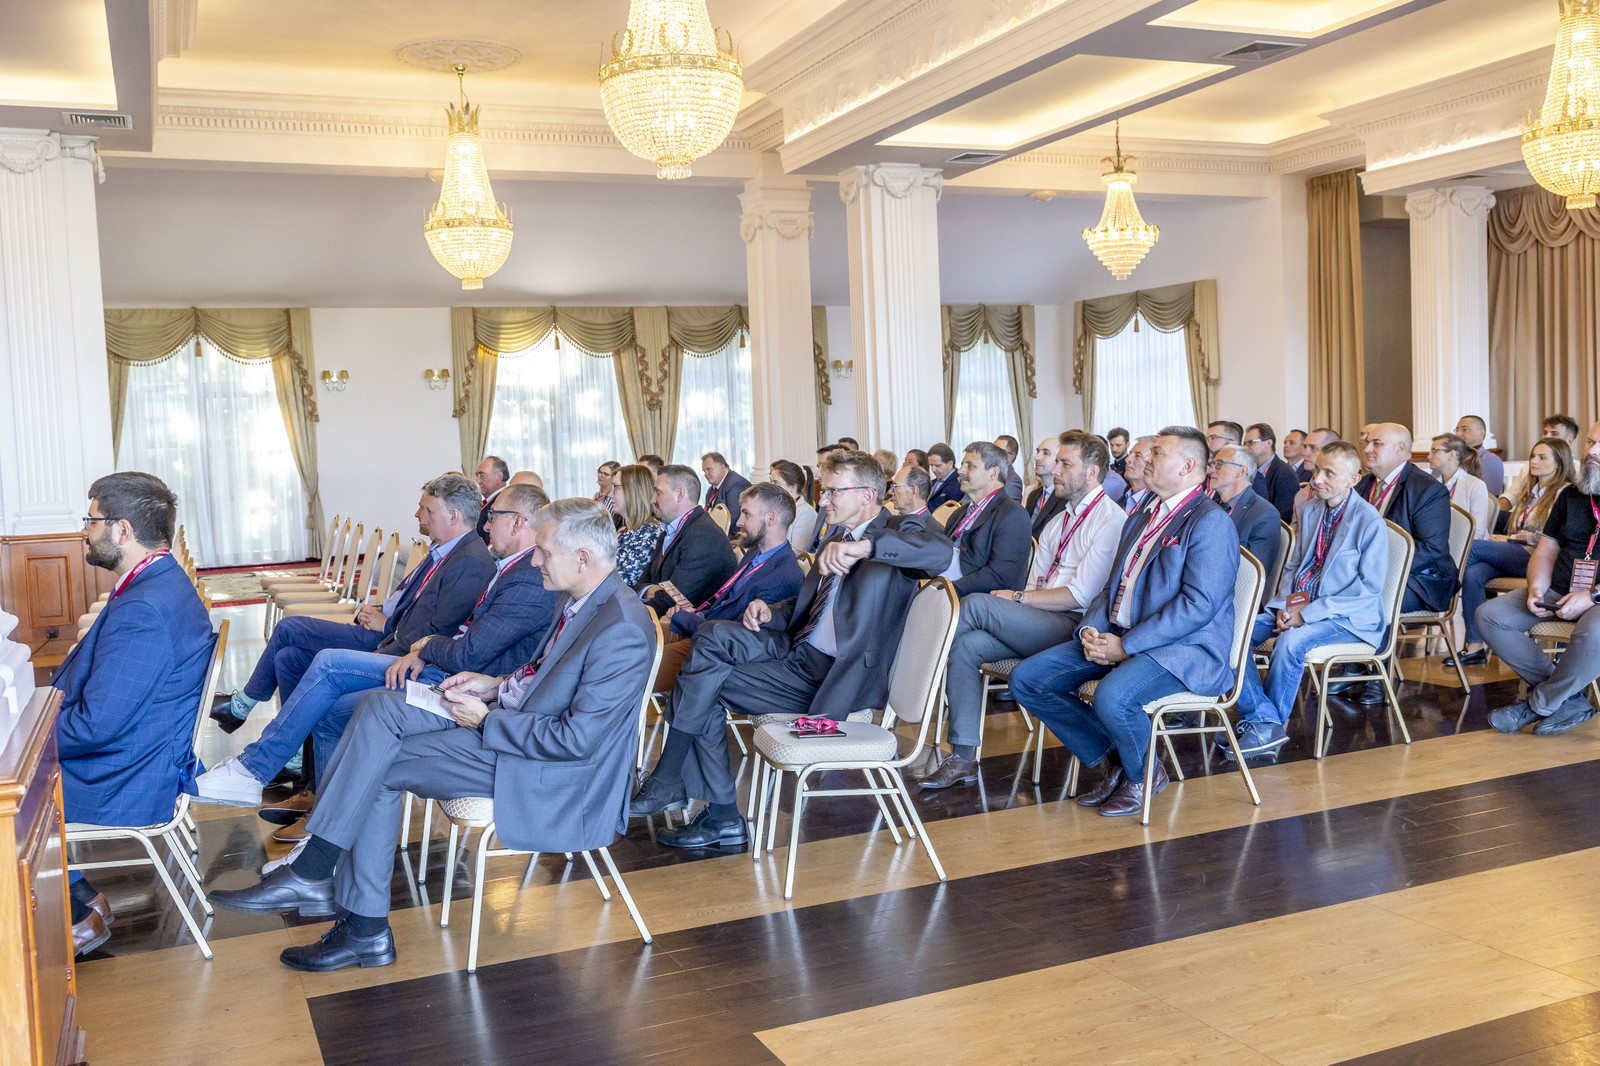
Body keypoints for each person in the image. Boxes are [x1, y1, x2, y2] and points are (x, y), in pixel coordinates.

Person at [210, 500, 655, 973]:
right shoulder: (581, 598)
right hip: (516, 732)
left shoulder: (622, 629)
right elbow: (542, 677)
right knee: (378, 707)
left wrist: (484, 719)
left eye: (544, 551)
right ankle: (330, 888)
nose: (535, 560)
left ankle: (345, 905)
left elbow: (576, 741)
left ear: (583, 558)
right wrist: (494, 685)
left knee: (377, 762)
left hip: (552, 773)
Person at [628, 450, 953, 846]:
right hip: (798, 656)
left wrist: (864, 548)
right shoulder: (836, 537)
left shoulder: (895, 532)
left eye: (832, 492)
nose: (823, 501)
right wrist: (771, 611)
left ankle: (703, 802)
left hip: (838, 679)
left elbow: (940, 553)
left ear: (867, 495)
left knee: (700, 682)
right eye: (823, 491)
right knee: (710, 638)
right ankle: (696, 799)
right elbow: (811, 607)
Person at [193, 484, 560, 812]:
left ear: (517, 522)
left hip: (458, 686)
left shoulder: (516, 574)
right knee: (303, 667)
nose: (485, 525)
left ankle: (258, 770)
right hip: (437, 666)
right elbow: (454, 632)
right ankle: (309, 804)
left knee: (327, 665)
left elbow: (468, 651)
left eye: (493, 516)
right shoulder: (506, 567)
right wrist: (418, 645)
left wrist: (423, 647)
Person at [1008, 427, 1239, 818]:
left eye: (1157, 453)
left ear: (1186, 466)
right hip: (1119, 633)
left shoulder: (1209, 521)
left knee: (1112, 697)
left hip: (1183, 648)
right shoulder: (1144, 513)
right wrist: (1091, 630)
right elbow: (1112, 585)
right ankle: (1122, 762)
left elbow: (1197, 606)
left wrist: (1128, 646)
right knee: (1029, 680)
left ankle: (1141, 775)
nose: (1144, 459)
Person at [56, 472, 213, 955]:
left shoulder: (146, 606)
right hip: (138, 752)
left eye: (91, 520)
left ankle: (75, 918)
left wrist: (27, 735)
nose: (84, 530)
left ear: (122, 530)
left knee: (12, 785)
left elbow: (95, 726)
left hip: (126, 774)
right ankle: (81, 898)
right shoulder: (160, 581)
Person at [210, 474, 497, 733]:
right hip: (386, 630)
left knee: (288, 628)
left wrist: (388, 625)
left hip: (393, 646)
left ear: (453, 516)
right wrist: (381, 611)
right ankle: (296, 752)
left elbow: (437, 632)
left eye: (428, 510)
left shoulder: (468, 561)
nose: (418, 515)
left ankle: (241, 707)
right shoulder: (445, 549)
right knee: (287, 658)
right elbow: (414, 602)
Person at [921, 431, 1123, 789]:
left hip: (1076, 627)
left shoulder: (1110, 520)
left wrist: (1017, 600)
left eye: (1065, 464)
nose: (1054, 471)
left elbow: (1077, 596)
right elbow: (1034, 584)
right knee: (966, 646)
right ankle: (964, 756)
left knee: (976, 604)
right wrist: (1022, 600)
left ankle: (917, 672)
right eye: (1056, 463)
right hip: (1039, 620)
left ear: (1092, 472)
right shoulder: (1059, 521)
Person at [1222, 442, 1389, 758]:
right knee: (1229, 633)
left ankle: (1264, 727)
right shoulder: (1311, 509)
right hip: (1300, 607)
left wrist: (1306, 615)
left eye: (1329, 473)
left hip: (1348, 618)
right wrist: (1287, 607)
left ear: (1354, 479)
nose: (1317, 479)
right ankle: (1264, 721)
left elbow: (1366, 590)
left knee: (1291, 642)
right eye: (1317, 470)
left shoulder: (1369, 521)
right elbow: (1295, 566)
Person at [1478, 421, 1600, 736]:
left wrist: (1591, 596)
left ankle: (1538, 705)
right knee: (1490, 616)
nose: (1593, 452)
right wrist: (1536, 587)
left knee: (1593, 632)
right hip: (1559, 589)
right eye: (1590, 443)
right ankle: (1569, 700)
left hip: (1597, 600)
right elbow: (1546, 551)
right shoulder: (1572, 494)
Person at [1340, 423, 1456, 702]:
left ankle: (1378, 672)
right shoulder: (1362, 484)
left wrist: (1380, 573)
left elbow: (1431, 549)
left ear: (1401, 449)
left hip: (1422, 578)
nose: (1367, 448)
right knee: (1338, 588)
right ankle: (1352, 664)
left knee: (1377, 597)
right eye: (1367, 442)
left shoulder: (1427, 489)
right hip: (1369, 572)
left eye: (1376, 443)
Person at [653, 483, 805, 694]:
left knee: (635, 667)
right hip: (702, 631)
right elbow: (723, 602)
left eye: (746, 514)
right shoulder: (754, 553)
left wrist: (685, 618)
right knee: (634, 640)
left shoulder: (783, 576)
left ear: (771, 518)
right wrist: (694, 613)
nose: (739, 521)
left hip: (714, 652)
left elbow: (734, 636)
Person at [1451, 439, 1577, 668]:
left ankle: (1440, 591)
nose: (1534, 461)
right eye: (1533, 456)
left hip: (1538, 557)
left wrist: (1509, 540)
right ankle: (1475, 645)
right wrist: (1507, 538)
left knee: (1473, 548)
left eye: (1542, 457)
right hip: (1517, 552)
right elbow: (1517, 525)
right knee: (1473, 573)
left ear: (1560, 463)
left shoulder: (1564, 493)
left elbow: (1550, 538)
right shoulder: (1532, 491)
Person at [635, 464, 738, 616]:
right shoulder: (669, 531)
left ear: (679, 494)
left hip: (689, 625)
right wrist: (652, 590)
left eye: (658, 492)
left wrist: (634, 613)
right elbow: (639, 585)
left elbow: (673, 600)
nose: (652, 499)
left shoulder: (703, 535)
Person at [938, 442, 1034, 596]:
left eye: (970, 466)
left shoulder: (1013, 515)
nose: (960, 471)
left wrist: (946, 590)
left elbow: (999, 577)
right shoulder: (959, 513)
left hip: (974, 597)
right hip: (942, 585)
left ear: (993, 473)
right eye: (962, 465)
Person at [1208, 444, 1282, 584]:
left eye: (1219, 464)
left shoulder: (1265, 514)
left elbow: (1251, 576)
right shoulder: (1211, 505)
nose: (1211, 470)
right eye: (1212, 464)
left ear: (1241, 471)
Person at [1428, 433, 1493, 540]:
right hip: (1439, 542)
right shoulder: (1432, 486)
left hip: (1469, 546)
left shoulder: (1476, 486)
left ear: (1452, 455)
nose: (1429, 456)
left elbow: (1477, 533)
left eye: (1434, 451)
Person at [609, 464, 661, 586]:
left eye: (616, 487)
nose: (610, 494)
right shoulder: (626, 530)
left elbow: (624, 583)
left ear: (634, 491)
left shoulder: (649, 533)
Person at [1243, 422, 1299, 522]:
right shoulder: (1248, 470)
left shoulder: (1285, 473)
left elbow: (1283, 517)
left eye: (1251, 442)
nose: (1245, 447)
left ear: (1269, 443)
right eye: (1244, 443)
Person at [770, 459, 818, 553]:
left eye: (776, 483)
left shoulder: (806, 512)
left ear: (792, 487)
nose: (771, 487)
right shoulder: (775, 507)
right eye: (770, 481)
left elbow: (797, 552)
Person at [1024, 436, 1066, 537]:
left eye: (1046, 453)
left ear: (1059, 460)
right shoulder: (1033, 495)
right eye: (1038, 452)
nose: (1036, 457)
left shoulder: (1066, 499)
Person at [702, 452, 752, 537]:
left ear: (722, 467)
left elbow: (732, 519)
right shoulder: (711, 490)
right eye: (704, 471)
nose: (705, 474)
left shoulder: (735, 483)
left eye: (709, 469)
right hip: (717, 533)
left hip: (734, 535)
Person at [1454, 415, 1505, 497]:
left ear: (1481, 433)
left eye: (1464, 430)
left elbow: (1489, 498)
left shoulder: (1491, 460)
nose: (1458, 434)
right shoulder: (1451, 457)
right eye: (1456, 430)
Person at [473, 455, 510, 543]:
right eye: (477, 475)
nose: (477, 481)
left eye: (482, 475)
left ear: (499, 476)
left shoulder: (504, 502)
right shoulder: (488, 501)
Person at [1121, 436, 1157, 514]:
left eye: (1138, 456)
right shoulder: (1121, 500)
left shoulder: (1157, 504)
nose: (1127, 460)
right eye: (1130, 454)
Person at [926, 443, 963, 512]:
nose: (933, 470)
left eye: (938, 466)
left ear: (950, 464)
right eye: (931, 465)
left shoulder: (959, 482)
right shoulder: (932, 482)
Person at [994, 434, 1025, 501]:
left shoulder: (1013, 480)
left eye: (997, 451)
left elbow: (1008, 507)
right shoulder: (991, 474)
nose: (991, 453)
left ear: (1011, 457)